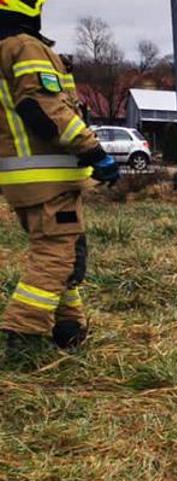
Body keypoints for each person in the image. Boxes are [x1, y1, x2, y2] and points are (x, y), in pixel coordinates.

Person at [0, 0, 118, 361]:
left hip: (24, 177)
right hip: (46, 175)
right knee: (56, 253)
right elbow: (46, 109)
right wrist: (93, 151)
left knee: (65, 251)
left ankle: (70, 327)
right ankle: (20, 333)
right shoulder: (25, 47)